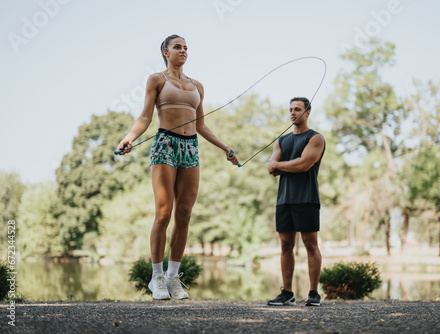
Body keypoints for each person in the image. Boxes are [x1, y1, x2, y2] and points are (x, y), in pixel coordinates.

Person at [116, 34, 239, 300]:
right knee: (163, 212)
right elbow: (146, 116)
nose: (183, 51)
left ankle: (173, 277)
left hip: (191, 146)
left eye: (186, 47)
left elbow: (202, 124)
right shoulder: (156, 79)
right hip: (165, 144)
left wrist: (225, 147)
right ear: (165, 52)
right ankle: (156, 277)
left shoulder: (197, 86)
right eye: (177, 47)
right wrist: (129, 138)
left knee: (184, 213)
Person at [267, 97, 325, 307]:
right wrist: (280, 166)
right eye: (290, 109)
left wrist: (279, 166)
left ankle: (313, 293)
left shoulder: (316, 138)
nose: (293, 113)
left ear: (307, 112)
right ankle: (288, 293)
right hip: (284, 200)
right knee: (285, 245)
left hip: (307, 199)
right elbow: (271, 168)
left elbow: (304, 164)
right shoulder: (281, 140)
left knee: (310, 245)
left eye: (297, 109)